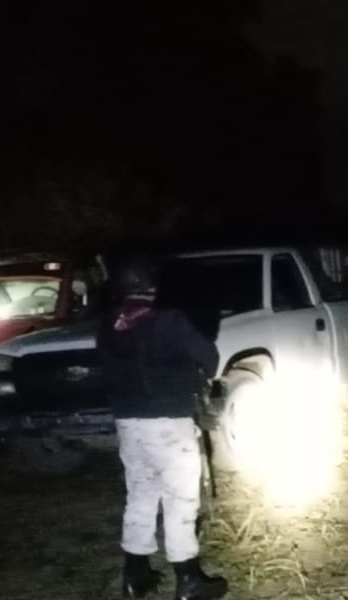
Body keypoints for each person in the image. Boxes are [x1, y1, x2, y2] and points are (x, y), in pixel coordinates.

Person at [98, 255, 228, 600]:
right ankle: (188, 580)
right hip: (169, 423)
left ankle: (135, 575)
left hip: (128, 423)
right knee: (180, 500)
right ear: (151, 287)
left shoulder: (108, 325)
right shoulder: (169, 321)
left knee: (140, 494)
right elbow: (210, 360)